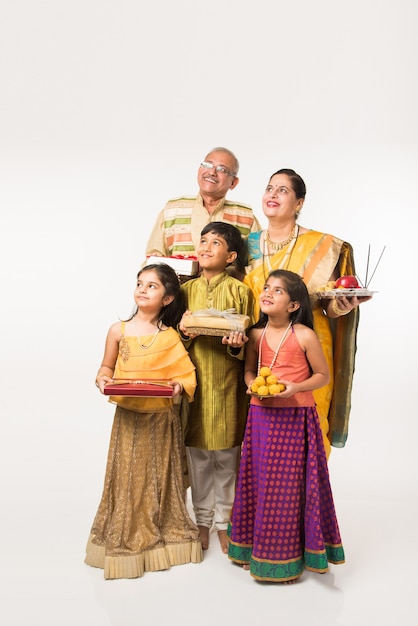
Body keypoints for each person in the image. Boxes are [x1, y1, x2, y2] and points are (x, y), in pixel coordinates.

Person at [85, 264, 202, 579]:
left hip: (161, 418)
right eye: (140, 283)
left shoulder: (169, 336)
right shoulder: (118, 330)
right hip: (129, 418)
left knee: (159, 477)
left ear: (167, 299)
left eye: (152, 286)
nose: (142, 289)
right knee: (127, 475)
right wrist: (103, 381)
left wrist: (177, 386)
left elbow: (184, 375)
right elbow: (105, 368)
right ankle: (124, 533)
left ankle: (161, 534)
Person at [244, 168, 372, 456]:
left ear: (299, 203)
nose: (273, 194)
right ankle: (268, 497)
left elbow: (330, 306)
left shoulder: (324, 246)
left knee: (309, 427)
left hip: (307, 346)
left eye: (283, 190)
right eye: (269, 188)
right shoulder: (246, 246)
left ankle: (308, 498)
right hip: (259, 345)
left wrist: (344, 304)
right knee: (262, 434)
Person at [228, 269, 345, 583]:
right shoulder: (255, 334)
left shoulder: (304, 334)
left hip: (294, 417)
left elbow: (323, 376)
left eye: (278, 291)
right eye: (267, 288)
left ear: (294, 305)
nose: (267, 293)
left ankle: (286, 554)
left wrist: (296, 388)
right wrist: (252, 385)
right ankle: (251, 547)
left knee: (287, 486)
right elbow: (249, 372)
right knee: (257, 479)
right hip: (261, 415)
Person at [178, 222, 256, 554]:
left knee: (227, 457)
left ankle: (225, 523)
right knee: (196, 457)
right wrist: (185, 332)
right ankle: (201, 521)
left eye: (217, 243)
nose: (207, 247)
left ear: (231, 256)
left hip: (227, 386)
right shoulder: (184, 291)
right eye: (203, 241)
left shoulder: (241, 291)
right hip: (195, 385)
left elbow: (252, 341)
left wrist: (237, 344)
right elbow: (171, 340)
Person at [145, 146, 262, 277]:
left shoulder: (246, 217)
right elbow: (152, 262)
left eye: (222, 169)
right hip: (179, 295)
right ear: (199, 169)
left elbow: (259, 266)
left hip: (226, 295)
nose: (212, 172)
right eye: (207, 165)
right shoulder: (172, 211)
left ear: (233, 182)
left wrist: (224, 274)